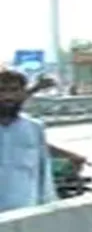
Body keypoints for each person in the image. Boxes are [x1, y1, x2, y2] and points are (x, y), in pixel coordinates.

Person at [0, 69, 59, 212]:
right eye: (2, 90)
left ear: (23, 94)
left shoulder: (34, 128)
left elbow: (43, 173)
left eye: (14, 90)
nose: (8, 97)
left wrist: (48, 207)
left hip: (25, 212)